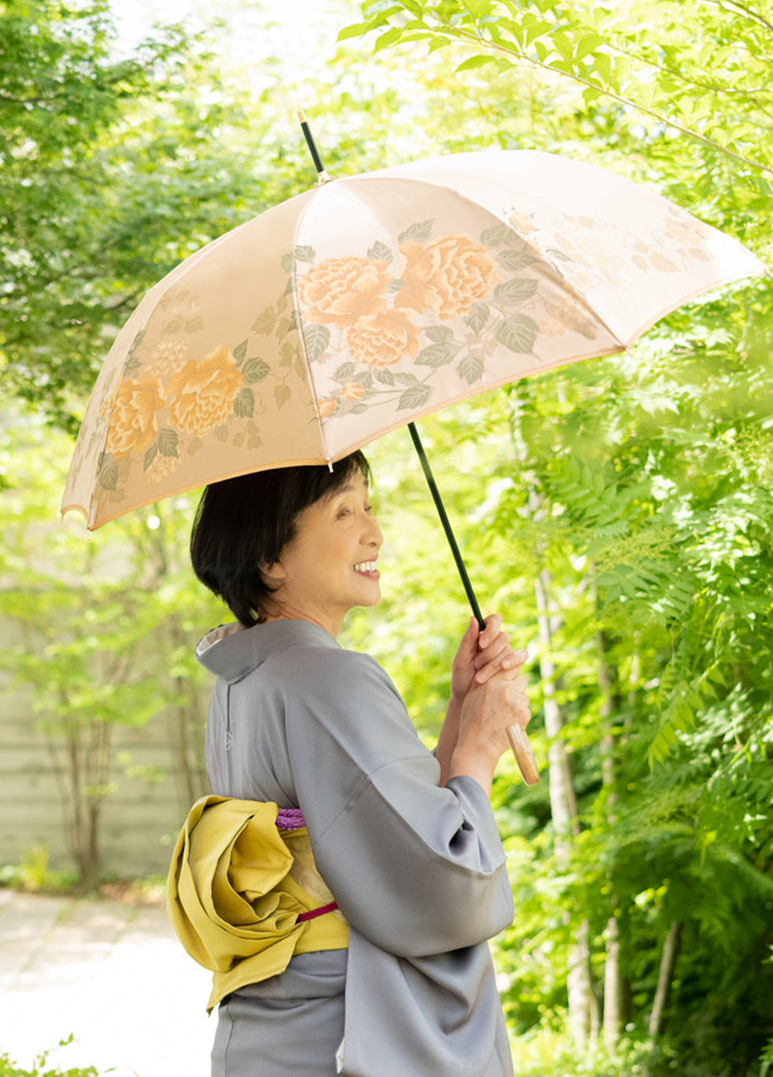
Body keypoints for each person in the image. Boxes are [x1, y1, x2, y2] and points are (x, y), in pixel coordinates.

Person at [183, 450, 532, 1077]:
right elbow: (439, 881)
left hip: (272, 1032)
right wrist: (480, 747)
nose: (373, 531)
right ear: (270, 557)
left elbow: (377, 823)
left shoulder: (243, 677)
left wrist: (461, 709)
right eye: (344, 511)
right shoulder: (329, 678)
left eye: (368, 506)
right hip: (342, 1034)